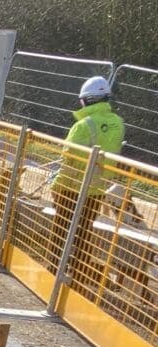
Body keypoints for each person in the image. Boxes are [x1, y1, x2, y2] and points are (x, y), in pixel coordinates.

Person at [48, 76, 125, 294]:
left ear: (88, 100)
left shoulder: (83, 125)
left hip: (72, 187)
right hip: (97, 188)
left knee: (61, 232)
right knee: (84, 234)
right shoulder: (118, 123)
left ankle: (54, 271)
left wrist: (56, 185)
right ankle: (78, 278)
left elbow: (68, 159)